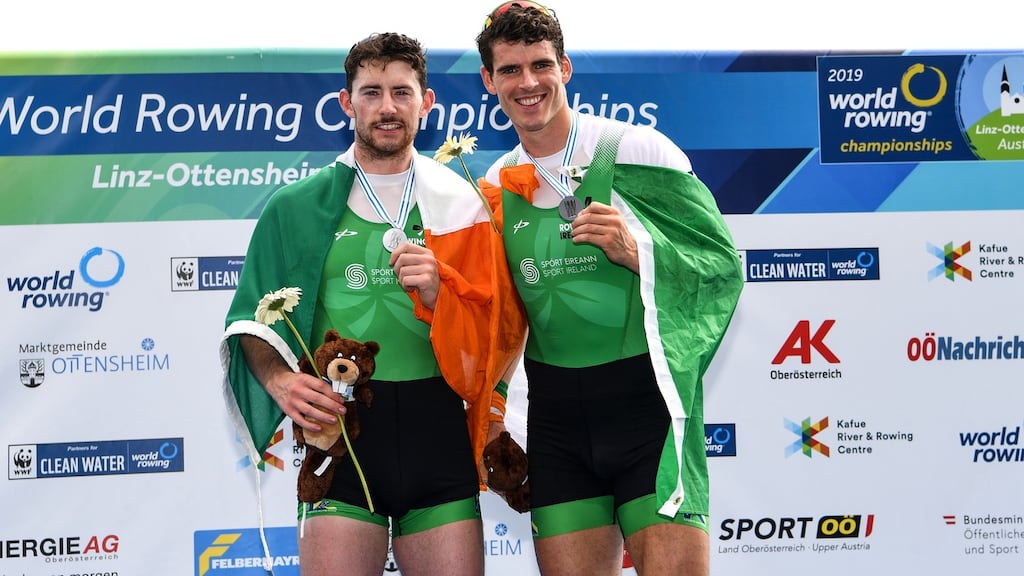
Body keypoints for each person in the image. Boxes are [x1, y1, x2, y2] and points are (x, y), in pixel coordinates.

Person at [220, 32, 524, 576]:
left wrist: (441, 295)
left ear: (426, 103)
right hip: (342, 432)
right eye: (372, 92)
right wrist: (281, 381)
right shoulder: (295, 207)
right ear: (347, 102)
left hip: (438, 431)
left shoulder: (467, 203)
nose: (387, 108)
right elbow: (249, 322)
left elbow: (500, 330)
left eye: (402, 92)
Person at [476, 3, 744, 575]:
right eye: (510, 70)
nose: (528, 83)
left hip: (647, 410)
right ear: (489, 80)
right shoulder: (495, 185)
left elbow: (719, 266)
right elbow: (497, 318)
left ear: (565, 68)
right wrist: (494, 412)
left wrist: (637, 251)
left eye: (541, 65)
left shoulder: (637, 149)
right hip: (556, 424)